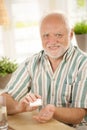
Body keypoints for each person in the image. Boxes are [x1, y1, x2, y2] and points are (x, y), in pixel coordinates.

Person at [1, 12, 87, 129]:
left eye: (58, 35)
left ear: (70, 35)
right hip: (42, 126)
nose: (51, 42)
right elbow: (4, 99)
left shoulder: (83, 63)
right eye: (46, 35)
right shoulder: (31, 63)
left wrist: (53, 111)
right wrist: (18, 107)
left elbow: (79, 114)